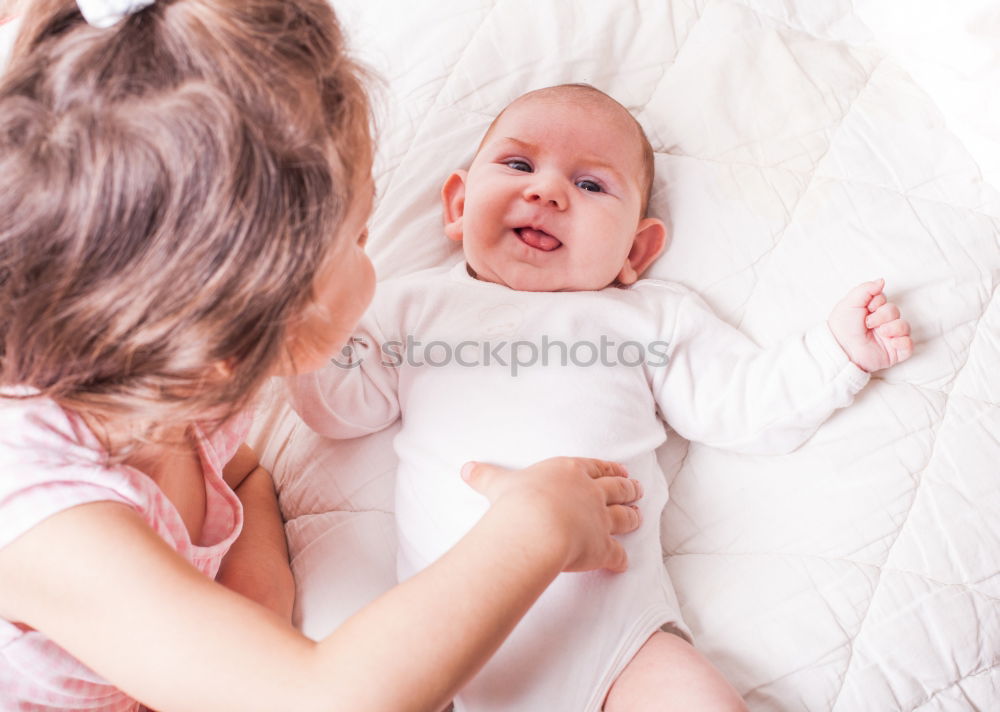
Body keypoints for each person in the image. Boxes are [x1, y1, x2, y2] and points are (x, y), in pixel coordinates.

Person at [0, 4, 647, 710]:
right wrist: (534, 530)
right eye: (362, 237)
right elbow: (328, 699)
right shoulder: (46, 518)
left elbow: (242, 476)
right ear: (254, 332)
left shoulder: (185, 386)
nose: (378, 258)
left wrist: (258, 615)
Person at [289, 83, 914, 712]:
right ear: (457, 205)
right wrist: (301, 315)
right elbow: (342, 408)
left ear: (635, 250)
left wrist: (834, 353)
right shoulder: (409, 305)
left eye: (590, 186)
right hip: (452, 639)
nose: (547, 191)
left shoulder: (647, 318)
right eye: (518, 165)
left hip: (620, 647)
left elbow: (740, 403)